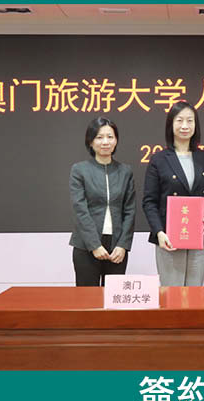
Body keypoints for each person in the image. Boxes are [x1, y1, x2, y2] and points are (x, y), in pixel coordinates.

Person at [142, 101, 204, 286]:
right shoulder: (159, 159)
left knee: (195, 292)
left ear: (195, 125)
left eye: (190, 121)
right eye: (179, 120)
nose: (185, 126)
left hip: (198, 235)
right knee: (172, 293)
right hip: (169, 238)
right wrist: (159, 232)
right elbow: (149, 201)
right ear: (171, 124)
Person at [69, 117, 136, 286]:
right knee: (87, 299)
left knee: (114, 299)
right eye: (99, 137)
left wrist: (123, 245)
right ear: (90, 142)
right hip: (86, 246)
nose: (105, 142)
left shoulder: (125, 171)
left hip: (117, 248)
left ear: (116, 140)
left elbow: (130, 210)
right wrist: (94, 245)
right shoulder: (79, 170)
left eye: (110, 137)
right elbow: (80, 210)